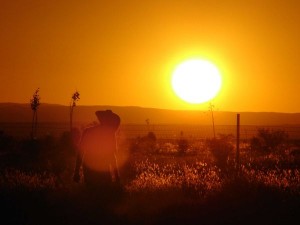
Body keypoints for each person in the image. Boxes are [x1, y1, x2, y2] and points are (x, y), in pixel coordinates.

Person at [73, 110, 121, 189]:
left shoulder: (88, 131)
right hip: (102, 169)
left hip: (90, 168)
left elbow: (81, 153)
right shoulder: (109, 134)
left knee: (91, 193)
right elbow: (112, 156)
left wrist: (76, 171)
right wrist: (116, 176)